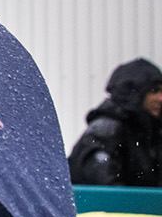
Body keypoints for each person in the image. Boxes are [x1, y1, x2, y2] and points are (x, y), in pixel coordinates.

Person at [68, 58, 162, 186]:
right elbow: (107, 190)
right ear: (135, 94)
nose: (160, 98)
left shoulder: (152, 133)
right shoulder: (107, 131)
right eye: (154, 91)